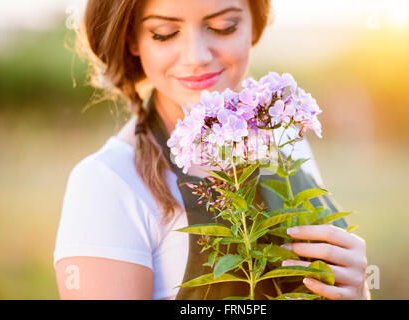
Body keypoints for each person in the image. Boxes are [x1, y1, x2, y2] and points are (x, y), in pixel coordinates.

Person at [54, 0, 370, 300]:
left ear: (254, 26)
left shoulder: (286, 134)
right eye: (164, 33)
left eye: (223, 26)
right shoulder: (106, 183)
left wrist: (357, 292)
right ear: (133, 39)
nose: (196, 56)